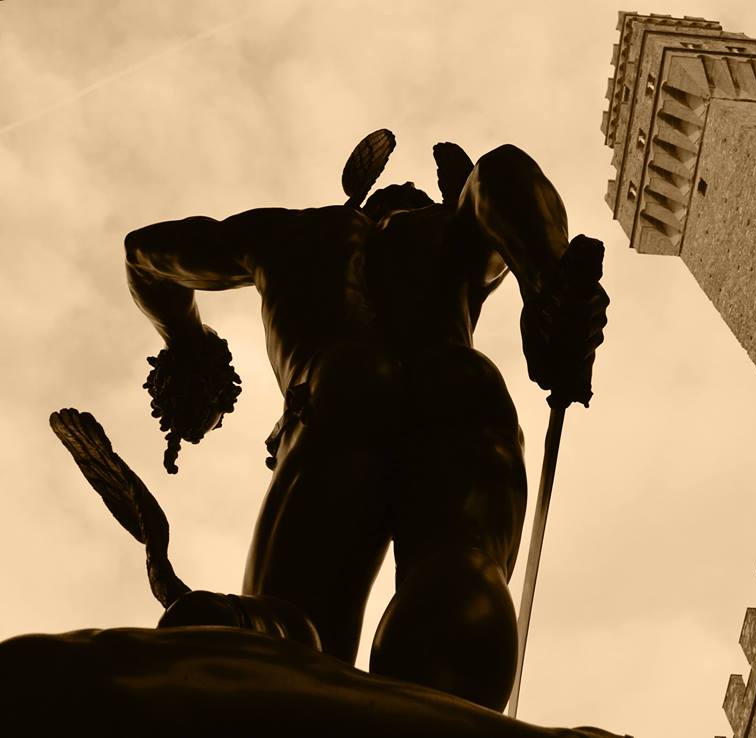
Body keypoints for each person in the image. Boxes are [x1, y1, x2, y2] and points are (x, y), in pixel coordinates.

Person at [123, 131, 608, 712]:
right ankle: (438, 716)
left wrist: (187, 342)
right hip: (457, 383)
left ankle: (249, 640)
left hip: (336, 394)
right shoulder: (448, 232)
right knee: (463, 573)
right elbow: (499, 175)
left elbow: (143, 252)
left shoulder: (285, 234)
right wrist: (544, 280)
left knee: (291, 635)